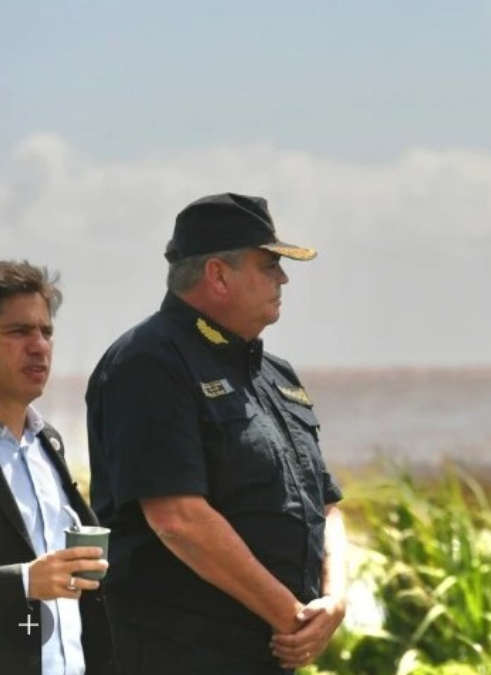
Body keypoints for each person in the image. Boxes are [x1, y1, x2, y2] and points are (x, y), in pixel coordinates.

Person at [85, 193, 348, 674]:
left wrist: (335, 601)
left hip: (269, 651)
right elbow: (177, 518)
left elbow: (325, 504)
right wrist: (290, 617)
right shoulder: (150, 362)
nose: (283, 278)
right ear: (218, 275)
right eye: (269, 265)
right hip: (182, 653)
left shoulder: (277, 374)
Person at [0, 261, 116, 675]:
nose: (40, 346)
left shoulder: (46, 442)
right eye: (18, 332)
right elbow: (30, 579)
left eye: (46, 331)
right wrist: (22, 583)